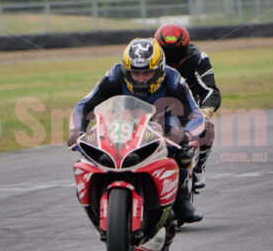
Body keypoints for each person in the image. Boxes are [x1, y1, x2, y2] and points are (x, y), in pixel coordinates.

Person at [68, 38, 205, 223]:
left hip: (162, 122)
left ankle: (180, 198)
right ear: (126, 70)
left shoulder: (173, 79)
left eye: (147, 73)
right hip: (123, 120)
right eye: (135, 73)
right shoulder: (115, 75)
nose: (141, 79)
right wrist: (76, 130)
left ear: (159, 70)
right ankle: (97, 192)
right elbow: (84, 105)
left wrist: (186, 134)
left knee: (181, 148)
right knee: (92, 146)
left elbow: (196, 115)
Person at [154, 23, 221, 189]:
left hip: (187, 106)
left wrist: (205, 112)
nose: (172, 57)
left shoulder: (198, 58)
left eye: (176, 52)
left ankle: (198, 167)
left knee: (206, 127)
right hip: (154, 104)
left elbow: (210, 90)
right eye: (166, 52)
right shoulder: (151, 57)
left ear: (186, 46)